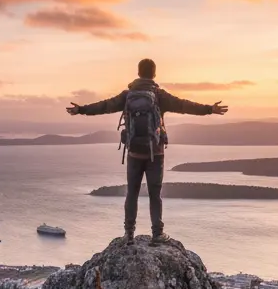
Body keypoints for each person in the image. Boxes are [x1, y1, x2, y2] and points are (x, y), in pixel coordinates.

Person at [67, 58, 228, 243]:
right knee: (154, 194)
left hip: (134, 152)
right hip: (155, 153)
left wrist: (81, 109)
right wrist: (209, 109)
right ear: (154, 74)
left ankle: (128, 234)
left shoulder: (128, 95)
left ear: (138, 73)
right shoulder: (159, 95)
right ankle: (157, 234)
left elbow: (104, 106)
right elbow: (185, 105)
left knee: (132, 193)